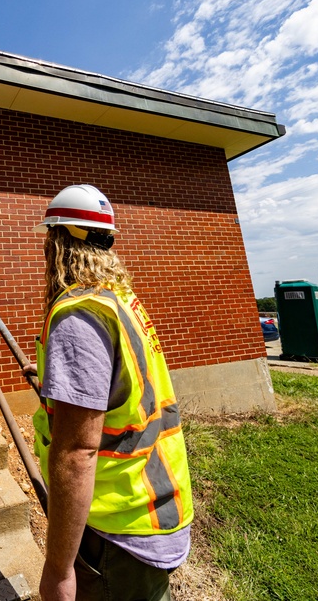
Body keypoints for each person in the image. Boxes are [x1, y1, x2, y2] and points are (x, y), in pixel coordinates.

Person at [32, 184, 194, 601]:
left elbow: (77, 453)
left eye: (49, 239)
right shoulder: (119, 300)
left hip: (116, 529)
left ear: (59, 243)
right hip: (155, 505)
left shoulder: (79, 316)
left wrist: (58, 569)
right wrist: (58, 380)